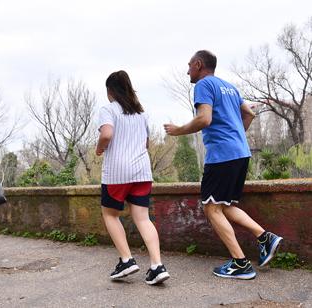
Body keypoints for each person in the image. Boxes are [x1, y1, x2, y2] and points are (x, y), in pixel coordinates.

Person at [164, 50, 283, 279]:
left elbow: (204, 119)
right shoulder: (229, 87)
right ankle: (265, 237)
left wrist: (178, 130)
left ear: (199, 64)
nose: (187, 70)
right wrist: (236, 135)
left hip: (222, 155)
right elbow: (249, 113)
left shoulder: (203, 85)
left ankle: (240, 263)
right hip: (240, 153)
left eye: (189, 65)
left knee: (211, 207)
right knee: (223, 205)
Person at [96, 70, 170, 285]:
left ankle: (127, 261)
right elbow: (146, 143)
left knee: (110, 215)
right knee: (143, 218)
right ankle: (157, 266)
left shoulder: (108, 109)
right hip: (142, 172)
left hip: (117, 173)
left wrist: (100, 148)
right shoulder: (141, 114)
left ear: (110, 91)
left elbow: (107, 134)